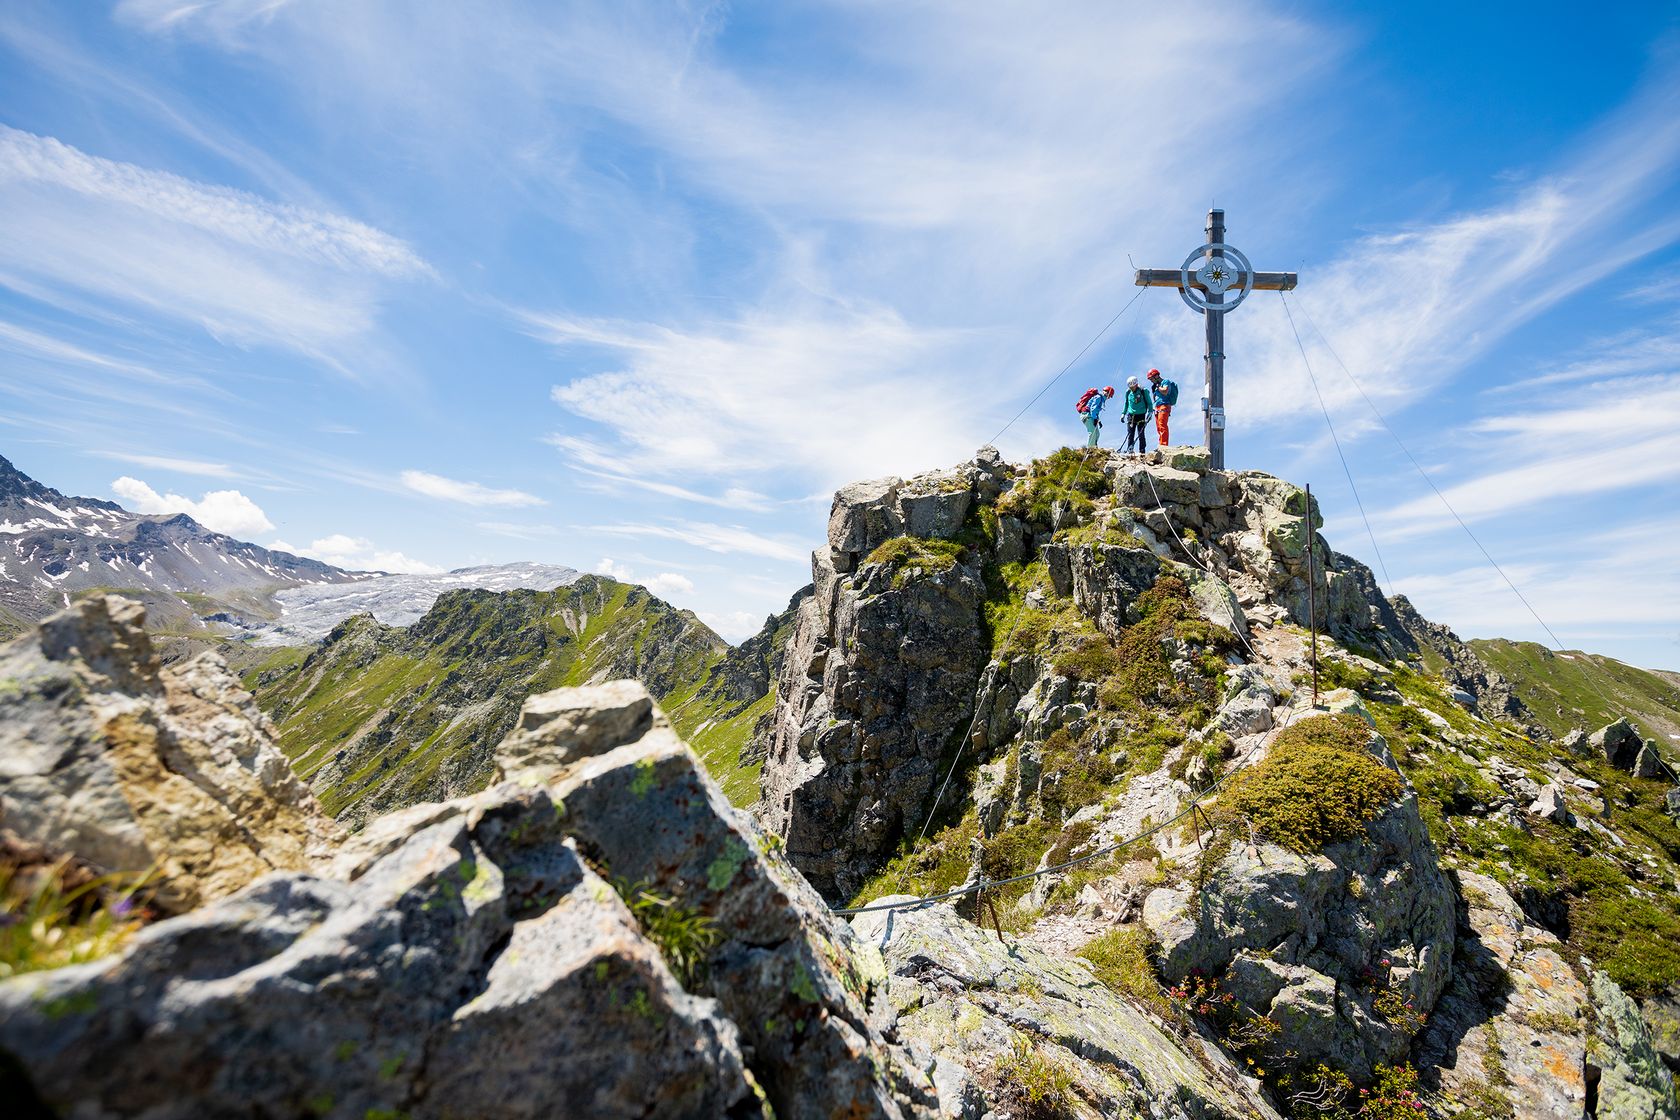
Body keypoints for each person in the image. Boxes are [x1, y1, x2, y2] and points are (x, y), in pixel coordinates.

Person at [1147, 368, 1179, 447]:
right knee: (1159, 427)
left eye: (1152, 379)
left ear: (1156, 376)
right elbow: (1155, 398)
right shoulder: (1155, 386)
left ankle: (1164, 445)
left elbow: (1165, 391)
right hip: (1157, 407)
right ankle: (1161, 444)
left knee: (1162, 425)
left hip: (1164, 405)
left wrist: (1158, 386)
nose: (1151, 381)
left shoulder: (1165, 381)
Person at [1121, 376, 1151, 454]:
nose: (1131, 388)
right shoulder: (1128, 392)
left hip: (1141, 415)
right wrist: (1123, 413)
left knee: (1141, 434)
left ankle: (1142, 451)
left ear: (1136, 384)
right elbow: (1126, 403)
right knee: (1130, 433)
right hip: (1131, 416)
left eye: (1133, 386)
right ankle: (1130, 450)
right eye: (1130, 387)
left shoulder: (1143, 391)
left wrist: (1150, 412)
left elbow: (1149, 402)